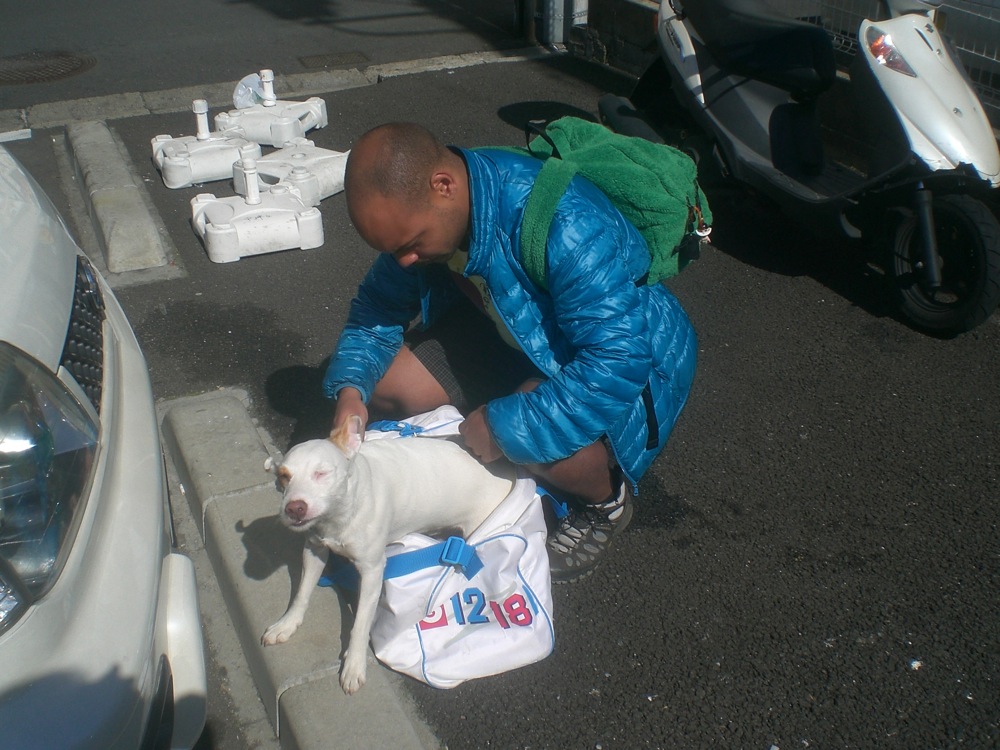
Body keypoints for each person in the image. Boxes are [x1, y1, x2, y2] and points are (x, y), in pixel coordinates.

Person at [323, 122, 697, 582]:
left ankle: (607, 500)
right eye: (392, 250)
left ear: (444, 186)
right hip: (512, 333)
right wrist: (350, 388)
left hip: (621, 363)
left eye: (411, 245)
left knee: (535, 439)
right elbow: (378, 307)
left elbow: (616, 362)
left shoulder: (565, 222)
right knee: (383, 386)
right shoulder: (428, 215)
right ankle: (495, 430)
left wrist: (502, 428)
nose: (404, 261)